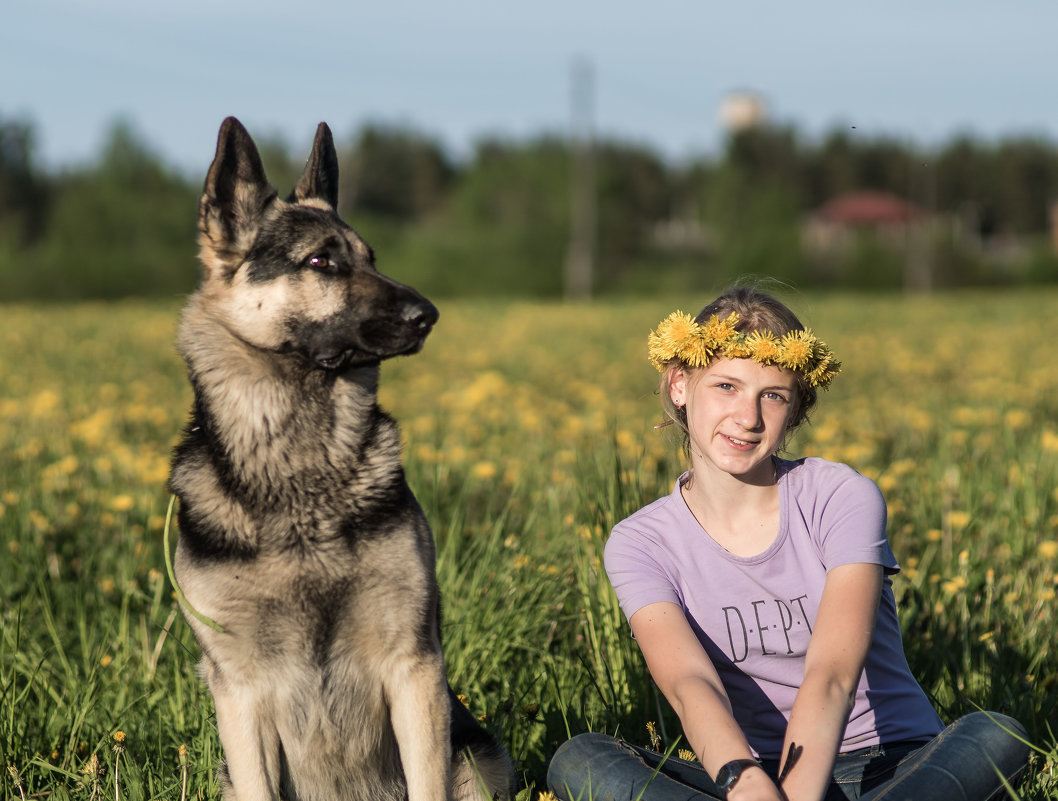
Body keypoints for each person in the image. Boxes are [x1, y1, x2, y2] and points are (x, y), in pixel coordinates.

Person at [547, 287, 1029, 801]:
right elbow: (692, 688)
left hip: (890, 766)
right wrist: (747, 783)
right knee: (581, 760)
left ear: (796, 408)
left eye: (772, 396)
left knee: (998, 735)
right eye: (727, 386)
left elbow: (832, 675)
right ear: (681, 384)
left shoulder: (840, 496)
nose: (748, 417)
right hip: (750, 776)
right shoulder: (641, 542)